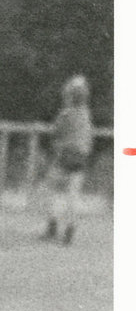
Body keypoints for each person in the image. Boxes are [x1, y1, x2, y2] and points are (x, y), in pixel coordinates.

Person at [42, 74, 94, 247]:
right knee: (73, 195)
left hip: (65, 156)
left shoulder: (66, 113)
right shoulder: (86, 114)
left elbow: (56, 132)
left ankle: (53, 225)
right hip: (81, 157)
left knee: (52, 190)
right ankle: (70, 229)